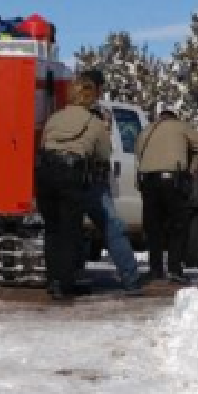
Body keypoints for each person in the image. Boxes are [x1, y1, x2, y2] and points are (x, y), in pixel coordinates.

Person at [36, 74, 111, 301]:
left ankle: (52, 280)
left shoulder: (54, 118)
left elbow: (43, 144)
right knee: (70, 230)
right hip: (72, 175)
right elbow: (104, 154)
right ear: (90, 97)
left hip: (46, 173)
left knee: (52, 229)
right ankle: (65, 283)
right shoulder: (94, 123)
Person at [76, 69, 142, 294]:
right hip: (93, 179)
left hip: (65, 177)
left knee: (69, 228)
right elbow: (104, 149)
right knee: (112, 228)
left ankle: (69, 275)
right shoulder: (101, 114)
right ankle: (130, 278)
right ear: (98, 88)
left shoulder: (65, 111)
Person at [134, 102, 198, 285]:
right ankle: (175, 269)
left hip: (148, 181)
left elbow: (138, 153)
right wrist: (192, 166)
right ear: (174, 118)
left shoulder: (147, 131)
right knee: (178, 225)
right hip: (172, 182)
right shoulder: (180, 127)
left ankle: (155, 269)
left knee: (153, 227)